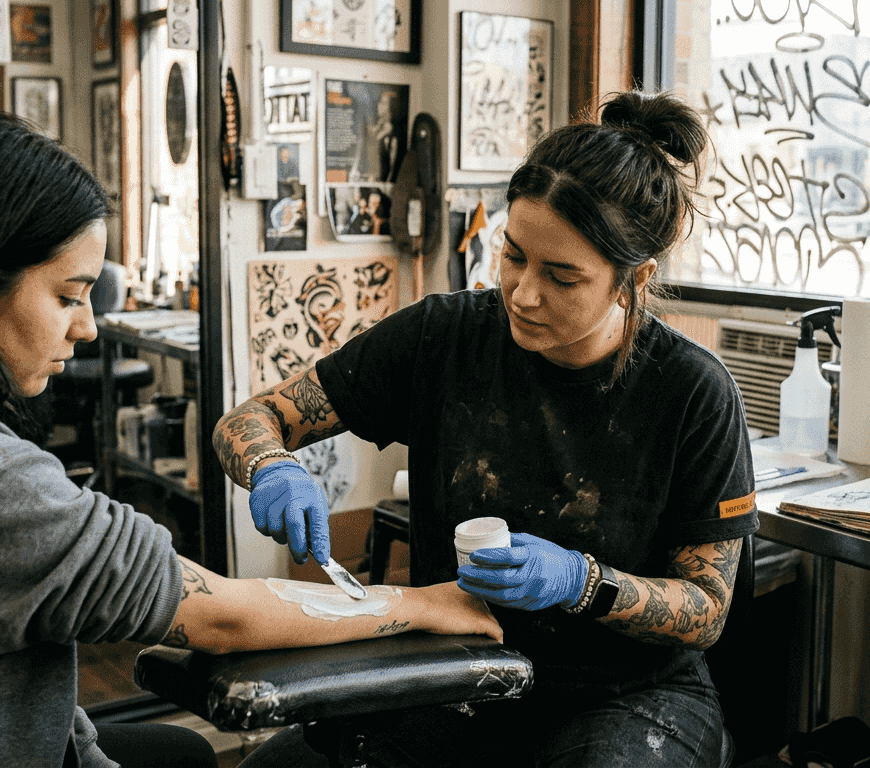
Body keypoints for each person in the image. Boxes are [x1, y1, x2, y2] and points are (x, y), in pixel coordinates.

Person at [0, 111, 501, 768]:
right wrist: (425, 603)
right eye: (67, 296)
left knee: (178, 753)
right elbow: (220, 617)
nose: (87, 328)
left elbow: (11, 672)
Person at [213, 90, 757, 766]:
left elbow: (706, 608)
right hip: (463, 668)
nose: (524, 293)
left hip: (627, 694)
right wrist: (271, 465)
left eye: (562, 277)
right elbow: (253, 418)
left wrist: (583, 582)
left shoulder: (692, 392)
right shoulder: (446, 335)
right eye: (513, 256)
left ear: (631, 279)